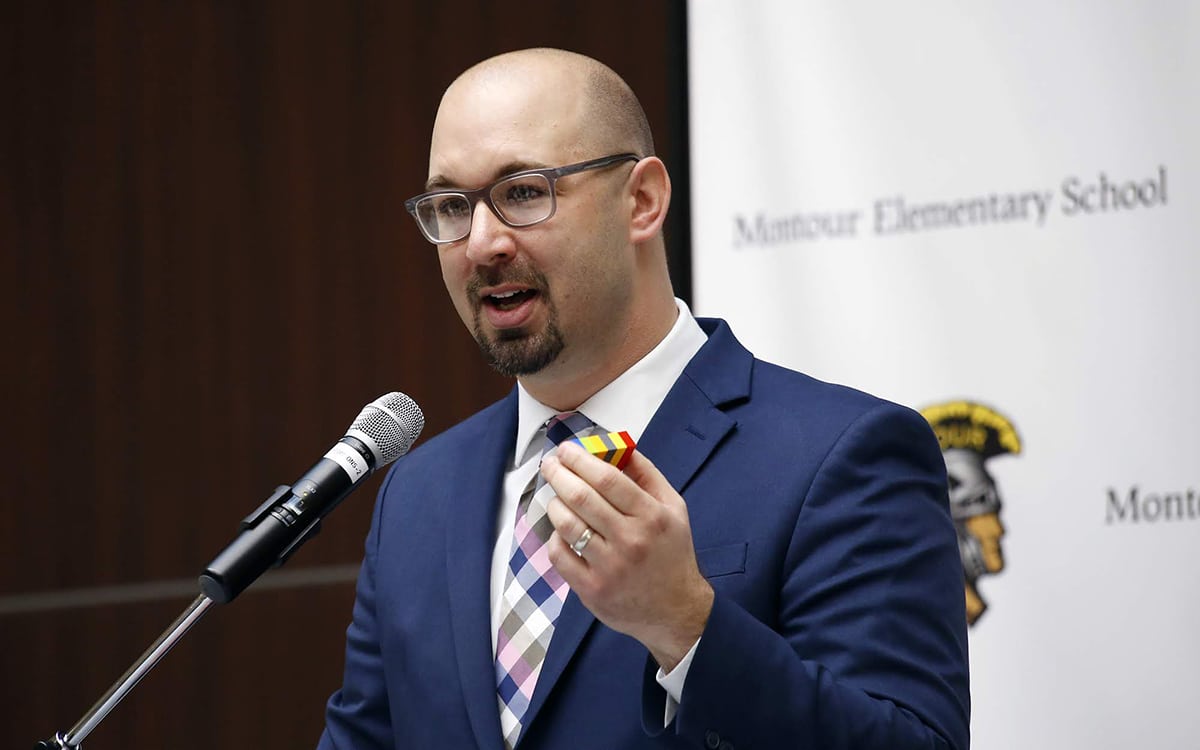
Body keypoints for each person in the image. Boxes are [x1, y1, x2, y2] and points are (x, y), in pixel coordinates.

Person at [319, 48, 969, 750]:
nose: (481, 244)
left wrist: (687, 625)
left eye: (524, 192)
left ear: (643, 200)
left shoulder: (842, 455)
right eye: (451, 206)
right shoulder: (419, 495)